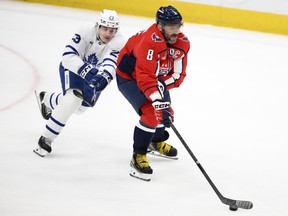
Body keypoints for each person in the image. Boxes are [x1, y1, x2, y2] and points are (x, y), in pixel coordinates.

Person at [34, 9, 125, 157]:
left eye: (112, 29)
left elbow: (110, 64)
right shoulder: (85, 30)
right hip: (73, 67)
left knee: (80, 108)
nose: (109, 33)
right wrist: (87, 71)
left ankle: (47, 98)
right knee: (72, 101)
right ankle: (46, 139)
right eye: (105, 28)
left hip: (94, 75)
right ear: (98, 26)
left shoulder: (119, 41)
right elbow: (68, 56)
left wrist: (101, 79)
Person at [116, 5, 190, 181]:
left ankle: (154, 142)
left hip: (154, 78)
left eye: (178, 26)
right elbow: (144, 76)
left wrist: (161, 91)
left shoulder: (182, 43)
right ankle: (138, 155)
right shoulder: (149, 42)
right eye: (171, 27)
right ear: (160, 26)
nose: (176, 31)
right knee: (151, 113)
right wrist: (156, 97)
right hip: (129, 77)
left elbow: (178, 76)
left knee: (166, 114)